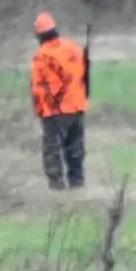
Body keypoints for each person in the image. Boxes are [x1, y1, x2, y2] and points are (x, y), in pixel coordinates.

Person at [30, 12, 88, 190]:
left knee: (52, 150)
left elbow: (38, 85)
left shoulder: (42, 56)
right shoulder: (74, 48)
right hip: (77, 106)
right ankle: (77, 184)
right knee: (75, 148)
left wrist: (39, 109)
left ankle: (57, 188)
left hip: (54, 110)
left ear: (39, 35)